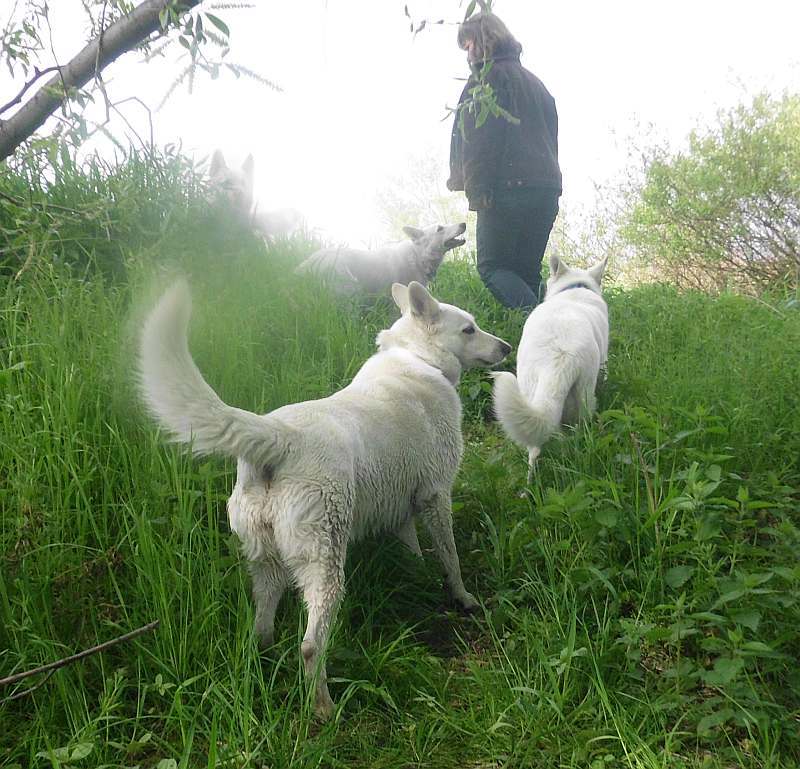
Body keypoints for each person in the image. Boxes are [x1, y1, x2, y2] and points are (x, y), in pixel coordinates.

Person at [447, 12, 562, 310]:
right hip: (546, 190)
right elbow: (551, 139)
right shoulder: (537, 85)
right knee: (525, 272)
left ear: (483, 40)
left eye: (468, 44)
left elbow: (479, 142)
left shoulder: (485, 80)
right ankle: (563, 326)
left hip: (506, 189)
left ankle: (541, 325)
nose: (467, 54)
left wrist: (477, 192)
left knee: (492, 267)